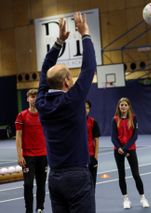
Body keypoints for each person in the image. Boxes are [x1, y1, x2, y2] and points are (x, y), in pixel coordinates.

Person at [35, 12, 96, 212]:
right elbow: (89, 68)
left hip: (55, 178)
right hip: (76, 176)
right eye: (70, 76)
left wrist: (59, 42)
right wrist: (85, 34)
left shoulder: (41, 104)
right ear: (67, 82)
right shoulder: (72, 99)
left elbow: (45, 70)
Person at [111, 97, 150, 209]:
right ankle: (126, 199)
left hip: (130, 149)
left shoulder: (134, 118)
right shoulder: (115, 119)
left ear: (128, 106)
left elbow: (135, 136)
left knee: (136, 174)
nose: (123, 107)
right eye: (121, 105)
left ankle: (143, 198)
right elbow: (113, 137)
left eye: (125, 105)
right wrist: (119, 148)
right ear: (119, 106)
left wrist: (125, 148)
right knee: (121, 175)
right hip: (118, 151)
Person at [15, 89, 47, 213]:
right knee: (28, 184)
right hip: (28, 156)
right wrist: (20, 155)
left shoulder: (43, 115)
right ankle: (28, 210)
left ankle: (40, 208)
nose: (34, 99)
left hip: (43, 155)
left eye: (36, 96)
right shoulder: (22, 115)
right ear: (27, 99)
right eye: (32, 97)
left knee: (41, 183)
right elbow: (18, 136)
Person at [85, 100, 101, 188]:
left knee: (92, 182)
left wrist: (95, 156)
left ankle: (91, 201)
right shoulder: (76, 122)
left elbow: (97, 140)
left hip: (91, 156)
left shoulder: (93, 122)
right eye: (83, 107)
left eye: (87, 108)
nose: (85, 110)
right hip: (80, 158)